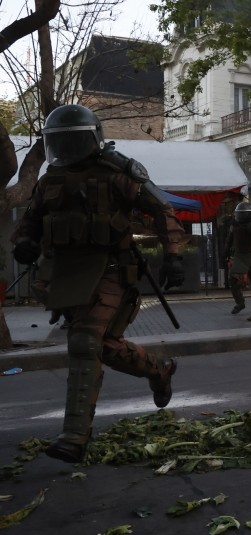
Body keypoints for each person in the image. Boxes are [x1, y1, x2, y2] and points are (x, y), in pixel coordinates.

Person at [11, 104, 185, 463]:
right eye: (62, 141)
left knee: (85, 340)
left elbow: (162, 209)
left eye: (74, 140)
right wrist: (25, 243)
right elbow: (31, 219)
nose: (69, 148)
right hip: (67, 274)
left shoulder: (118, 172)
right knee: (102, 345)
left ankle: (75, 437)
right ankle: (159, 369)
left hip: (110, 268)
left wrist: (174, 254)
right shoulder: (50, 180)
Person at [225, 201, 251, 314]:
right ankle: (240, 303)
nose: (240, 217)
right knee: (233, 280)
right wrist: (226, 251)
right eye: (239, 214)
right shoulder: (235, 225)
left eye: (242, 214)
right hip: (240, 256)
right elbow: (229, 239)